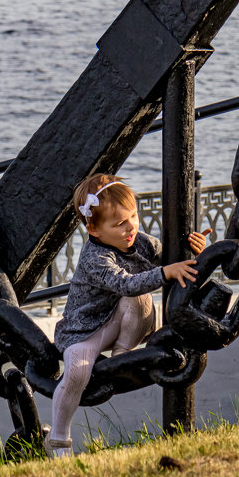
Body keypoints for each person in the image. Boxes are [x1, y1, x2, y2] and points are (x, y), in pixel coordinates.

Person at [46, 173, 209, 458]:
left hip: (120, 322)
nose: (130, 226)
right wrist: (164, 272)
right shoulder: (95, 258)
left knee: (138, 299)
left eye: (132, 216)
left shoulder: (141, 242)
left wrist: (195, 249)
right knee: (77, 372)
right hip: (84, 330)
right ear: (94, 229)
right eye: (119, 223)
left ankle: (122, 355)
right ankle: (59, 440)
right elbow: (125, 283)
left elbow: (174, 262)